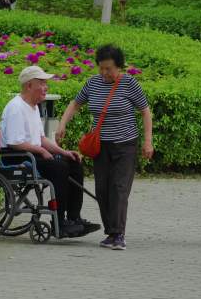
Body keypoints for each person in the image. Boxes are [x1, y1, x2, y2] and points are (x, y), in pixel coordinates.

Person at [56, 45, 154, 250]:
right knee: (102, 190)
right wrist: (62, 124)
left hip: (125, 145)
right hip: (101, 146)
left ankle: (118, 234)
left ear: (119, 67)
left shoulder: (129, 84)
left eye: (108, 69)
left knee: (119, 188)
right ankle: (110, 232)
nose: (104, 73)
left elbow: (145, 111)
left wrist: (148, 141)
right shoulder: (93, 83)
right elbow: (75, 104)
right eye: (101, 68)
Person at [0, 66, 101, 238]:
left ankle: (74, 217)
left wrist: (64, 151)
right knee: (59, 167)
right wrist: (41, 151)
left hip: (32, 154)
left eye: (46, 83)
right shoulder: (16, 107)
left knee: (73, 162)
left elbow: (42, 139)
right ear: (29, 85)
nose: (46, 87)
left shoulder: (33, 107)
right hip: (16, 157)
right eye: (42, 83)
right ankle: (59, 222)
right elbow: (15, 143)